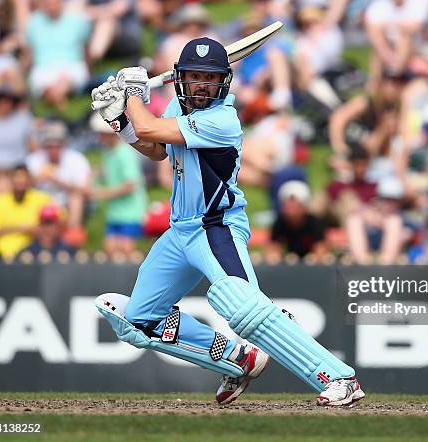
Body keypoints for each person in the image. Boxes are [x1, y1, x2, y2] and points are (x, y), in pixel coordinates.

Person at [91, 37, 364, 406]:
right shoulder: (177, 105)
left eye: (210, 78)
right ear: (180, 78)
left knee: (240, 305)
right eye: (195, 77)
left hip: (214, 226)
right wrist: (121, 121)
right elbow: (155, 149)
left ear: (224, 82)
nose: (202, 85)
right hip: (180, 230)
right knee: (140, 320)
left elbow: (153, 129)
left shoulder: (222, 119)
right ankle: (238, 358)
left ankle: (339, 377)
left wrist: (135, 93)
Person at [89, 113, 147, 258]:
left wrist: (105, 193)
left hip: (130, 213)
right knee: (111, 250)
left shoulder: (125, 153)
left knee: (127, 251)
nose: (100, 137)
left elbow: (130, 184)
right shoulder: (108, 154)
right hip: (115, 213)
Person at [26, 121, 91, 229]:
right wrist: (36, 178)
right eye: (49, 147)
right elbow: (19, 185)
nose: (53, 150)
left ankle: (72, 235)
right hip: (39, 202)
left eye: (57, 146)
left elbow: (86, 191)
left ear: (64, 145)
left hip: (65, 203)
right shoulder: (33, 160)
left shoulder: (77, 159)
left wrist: (58, 180)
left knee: (76, 198)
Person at [0, 164, 53, 258]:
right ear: (10, 179)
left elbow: (56, 224)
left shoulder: (42, 199)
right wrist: (22, 228)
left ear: (30, 179)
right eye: (17, 177)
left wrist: (40, 230)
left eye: (23, 177)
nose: (20, 181)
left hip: (33, 254)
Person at [267, 180, 327, 261]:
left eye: (295, 206)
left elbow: (320, 250)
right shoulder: (280, 223)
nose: (291, 210)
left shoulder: (314, 223)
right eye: (288, 205)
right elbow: (273, 250)